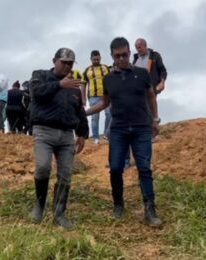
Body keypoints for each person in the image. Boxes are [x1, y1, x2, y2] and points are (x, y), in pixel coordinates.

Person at [86, 37, 162, 227]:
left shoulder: (142, 74)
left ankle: (149, 209)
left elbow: (151, 96)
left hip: (141, 128)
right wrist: (84, 112)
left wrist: (155, 119)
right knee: (116, 168)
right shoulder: (108, 79)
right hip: (118, 129)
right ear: (112, 56)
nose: (121, 58)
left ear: (130, 54)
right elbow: (104, 103)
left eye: (125, 55)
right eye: (117, 56)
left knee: (144, 168)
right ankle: (118, 205)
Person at [29, 48, 89, 230]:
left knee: (65, 174)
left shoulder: (75, 88)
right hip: (44, 132)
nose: (67, 66)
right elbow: (36, 93)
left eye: (70, 63)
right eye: (64, 62)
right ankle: (39, 204)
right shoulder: (40, 76)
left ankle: (59, 213)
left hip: (66, 135)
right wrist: (59, 85)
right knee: (42, 167)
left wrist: (83, 133)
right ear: (54, 61)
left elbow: (79, 111)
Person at [82, 50, 110, 144]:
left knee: (109, 114)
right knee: (95, 117)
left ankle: (106, 135)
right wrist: (83, 98)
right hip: (93, 96)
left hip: (106, 95)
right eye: (94, 59)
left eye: (98, 59)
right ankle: (95, 138)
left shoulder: (105, 68)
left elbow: (111, 80)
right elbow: (83, 84)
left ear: (100, 58)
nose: (96, 61)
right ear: (91, 59)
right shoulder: (87, 70)